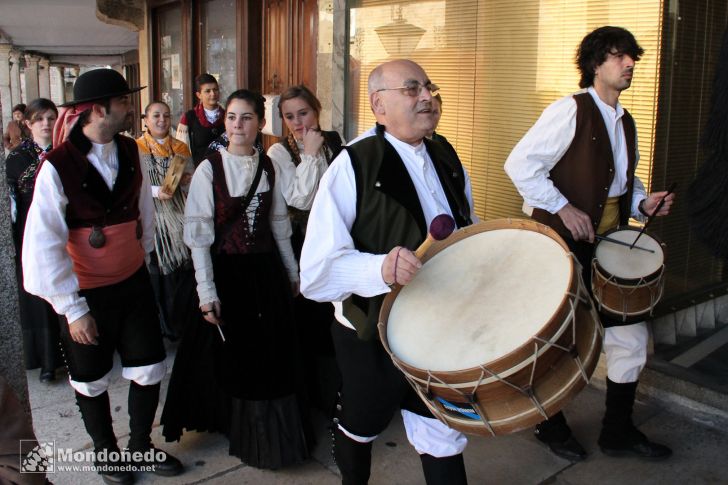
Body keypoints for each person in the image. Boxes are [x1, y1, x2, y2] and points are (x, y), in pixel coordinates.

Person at [300, 59, 477, 485]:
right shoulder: (354, 164)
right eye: (412, 89)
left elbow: (464, 227)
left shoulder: (446, 154)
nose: (427, 97)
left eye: (429, 88)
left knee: (442, 426)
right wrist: (381, 267)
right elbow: (315, 274)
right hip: (370, 331)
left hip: (438, 326)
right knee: (362, 424)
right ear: (379, 105)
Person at [504, 26, 675, 462]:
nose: (629, 64)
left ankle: (618, 431)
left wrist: (643, 200)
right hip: (559, 244)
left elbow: (620, 182)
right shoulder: (570, 110)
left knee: (631, 337)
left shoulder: (626, 120)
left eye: (632, 57)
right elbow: (520, 165)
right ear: (595, 63)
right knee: (557, 338)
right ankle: (549, 423)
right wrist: (562, 207)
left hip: (609, 243)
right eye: (619, 56)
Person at [22, 68, 183, 484]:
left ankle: (140, 448)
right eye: (124, 102)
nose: (131, 108)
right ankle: (107, 452)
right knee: (91, 379)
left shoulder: (131, 151)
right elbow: (43, 244)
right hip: (85, 293)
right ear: (98, 110)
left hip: (132, 284)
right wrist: (72, 310)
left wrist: (137, 257)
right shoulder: (56, 166)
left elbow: (144, 215)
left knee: (149, 368)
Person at [161, 89, 309, 469]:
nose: (238, 125)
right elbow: (199, 236)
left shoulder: (270, 166)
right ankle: (239, 429)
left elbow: (278, 225)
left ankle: (273, 438)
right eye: (231, 117)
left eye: (246, 117)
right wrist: (206, 291)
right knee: (236, 356)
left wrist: (292, 272)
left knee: (271, 356)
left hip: (266, 273)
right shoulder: (210, 168)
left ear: (260, 123)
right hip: (227, 274)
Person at [267, 84, 344, 417]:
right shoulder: (279, 153)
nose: (298, 122)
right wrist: (310, 155)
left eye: (304, 113)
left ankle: (339, 394)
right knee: (311, 322)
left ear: (317, 110)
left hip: (338, 241)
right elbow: (298, 199)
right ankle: (320, 401)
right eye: (290, 116)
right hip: (304, 244)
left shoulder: (336, 142)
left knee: (337, 318)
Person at [6, 98, 63, 383]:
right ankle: (47, 362)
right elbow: (13, 202)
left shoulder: (66, 152)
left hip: (63, 231)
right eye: (39, 119)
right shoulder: (17, 158)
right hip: (30, 233)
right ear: (28, 124)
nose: (46, 124)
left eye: (51, 118)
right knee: (38, 296)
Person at [136, 101, 196, 340]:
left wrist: (187, 180)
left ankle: (181, 321)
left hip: (178, 213)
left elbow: (188, 180)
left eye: (166, 115)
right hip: (154, 216)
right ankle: (163, 324)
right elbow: (135, 185)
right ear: (146, 120)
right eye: (156, 115)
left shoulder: (180, 147)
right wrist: (154, 191)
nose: (162, 120)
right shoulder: (136, 147)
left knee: (182, 269)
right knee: (159, 272)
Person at [175, 73, 224, 165]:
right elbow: (181, 151)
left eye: (215, 90)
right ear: (199, 95)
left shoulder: (227, 116)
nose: (213, 94)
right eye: (207, 91)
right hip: (199, 171)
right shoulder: (189, 118)